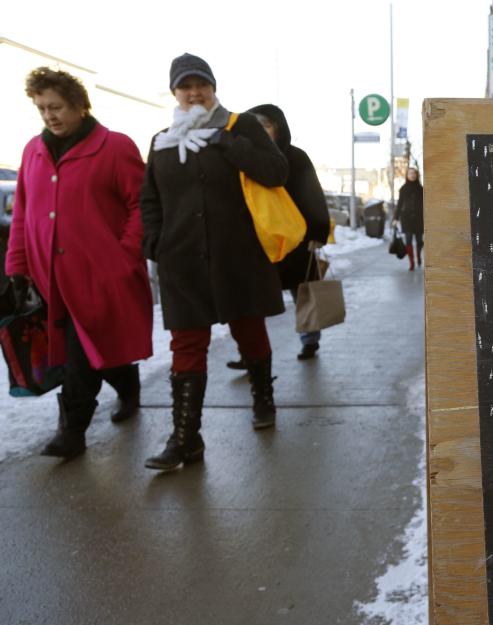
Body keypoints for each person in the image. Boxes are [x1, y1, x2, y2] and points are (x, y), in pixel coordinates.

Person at [140, 53, 289, 471]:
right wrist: (154, 242)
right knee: (186, 346)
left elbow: (276, 170)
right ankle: (186, 439)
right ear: (174, 93)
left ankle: (263, 397)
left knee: (249, 330)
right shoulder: (162, 141)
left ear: (212, 87)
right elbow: (149, 199)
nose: (193, 93)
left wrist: (227, 143)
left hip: (236, 255)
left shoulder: (237, 126)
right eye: (184, 87)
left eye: (200, 84)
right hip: (182, 260)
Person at [5, 67, 153, 460]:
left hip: (100, 273)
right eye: (41, 108)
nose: (49, 116)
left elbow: (142, 206)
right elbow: (22, 211)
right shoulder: (32, 151)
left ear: (80, 106)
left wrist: (125, 255)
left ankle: (71, 432)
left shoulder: (115, 146)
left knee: (79, 352)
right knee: (89, 345)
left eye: (56, 107)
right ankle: (128, 384)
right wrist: (17, 266)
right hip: (49, 276)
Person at [223, 103, 329, 366]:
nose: (260, 131)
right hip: (258, 241)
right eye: (255, 126)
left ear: (279, 129)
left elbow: (313, 196)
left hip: (296, 239)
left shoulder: (296, 157)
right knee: (252, 302)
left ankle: (309, 339)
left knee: (302, 292)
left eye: (265, 125)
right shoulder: (244, 157)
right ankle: (251, 354)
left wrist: (318, 231)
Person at [395, 167, 424, 270]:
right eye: (410, 173)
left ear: (417, 175)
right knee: (408, 240)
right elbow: (399, 204)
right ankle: (411, 262)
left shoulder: (421, 189)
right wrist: (396, 218)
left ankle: (419, 256)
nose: (412, 175)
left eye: (414, 173)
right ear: (407, 175)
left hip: (419, 218)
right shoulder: (403, 189)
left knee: (419, 241)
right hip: (406, 218)